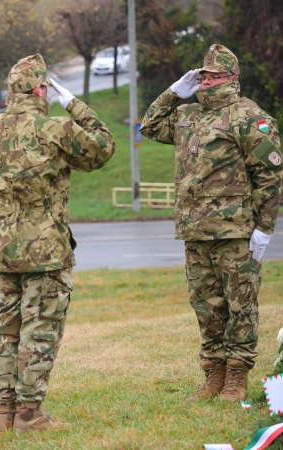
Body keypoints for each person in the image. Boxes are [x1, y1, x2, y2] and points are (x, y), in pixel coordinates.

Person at [0, 54, 116, 432]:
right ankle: (29, 414)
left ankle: (4, 414)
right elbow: (103, 147)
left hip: (1, 252)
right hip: (47, 252)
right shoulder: (56, 127)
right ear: (42, 88)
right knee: (39, 330)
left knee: (4, 330)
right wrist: (74, 104)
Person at [140, 44, 283, 402]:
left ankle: (237, 377)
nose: (206, 81)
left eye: (214, 76)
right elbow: (150, 126)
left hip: (235, 231)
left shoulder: (249, 116)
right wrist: (173, 93)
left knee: (240, 305)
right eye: (203, 75)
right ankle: (214, 374)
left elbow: (270, 175)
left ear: (231, 78)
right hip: (194, 230)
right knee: (207, 307)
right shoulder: (189, 115)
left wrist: (265, 227)